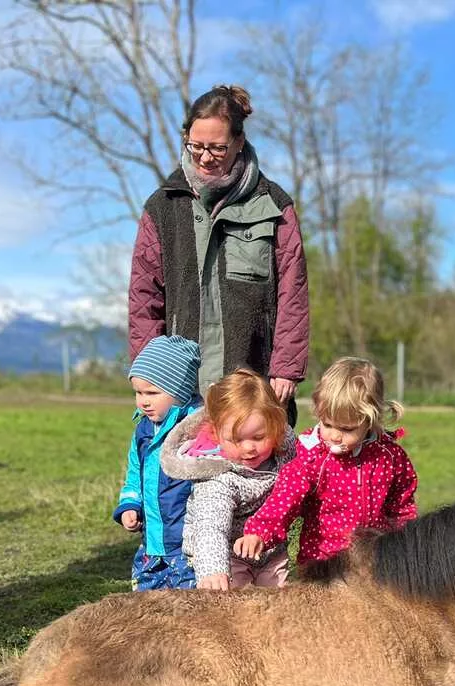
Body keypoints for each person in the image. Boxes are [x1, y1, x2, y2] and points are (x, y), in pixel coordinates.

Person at [128, 84, 309, 422]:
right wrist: (148, 373)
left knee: (253, 469)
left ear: (239, 143)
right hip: (181, 383)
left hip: (252, 379)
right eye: (195, 146)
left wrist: (286, 366)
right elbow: (144, 296)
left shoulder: (275, 205)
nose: (205, 157)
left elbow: (293, 294)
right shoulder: (162, 207)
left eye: (217, 147)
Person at [235, 357, 417, 568]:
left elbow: (402, 507)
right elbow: (285, 498)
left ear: (370, 420)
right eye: (328, 424)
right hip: (322, 564)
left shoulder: (389, 456)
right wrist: (260, 532)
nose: (335, 436)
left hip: (375, 562)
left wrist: (407, 547)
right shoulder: (312, 455)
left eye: (347, 429)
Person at [160, 369, 297, 590]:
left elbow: (307, 466)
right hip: (228, 556)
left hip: (271, 552)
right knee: (236, 606)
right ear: (216, 434)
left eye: (259, 437)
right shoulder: (217, 479)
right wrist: (214, 570)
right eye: (236, 439)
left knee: (276, 607)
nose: (249, 447)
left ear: (276, 427)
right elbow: (211, 528)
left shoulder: (283, 449)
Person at [113, 335, 203, 591]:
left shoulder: (197, 430)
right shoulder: (143, 430)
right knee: (146, 610)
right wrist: (130, 504)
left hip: (187, 546)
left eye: (152, 392)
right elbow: (134, 473)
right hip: (152, 543)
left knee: (190, 610)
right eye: (138, 393)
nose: (143, 401)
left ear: (180, 390)